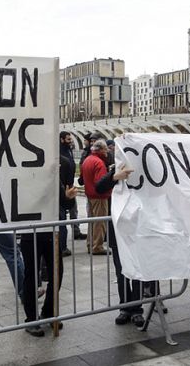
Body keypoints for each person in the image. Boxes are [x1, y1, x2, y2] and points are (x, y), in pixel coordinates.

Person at [20, 159, 77, 337]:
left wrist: (68, 198)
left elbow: (64, 204)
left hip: (51, 233)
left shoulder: (54, 179)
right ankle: (31, 319)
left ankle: (48, 311)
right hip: (31, 232)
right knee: (31, 275)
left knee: (57, 273)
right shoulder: (26, 177)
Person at [95, 163, 146, 326]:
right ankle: (125, 307)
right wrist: (115, 176)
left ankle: (137, 309)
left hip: (139, 229)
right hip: (119, 232)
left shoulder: (144, 170)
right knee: (121, 271)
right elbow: (100, 187)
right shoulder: (117, 168)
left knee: (137, 271)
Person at [81, 139, 111, 255]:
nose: (107, 151)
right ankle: (97, 246)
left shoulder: (88, 159)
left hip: (90, 195)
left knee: (91, 221)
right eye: (105, 149)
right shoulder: (99, 163)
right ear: (100, 149)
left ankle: (90, 244)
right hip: (99, 196)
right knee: (100, 222)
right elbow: (100, 183)